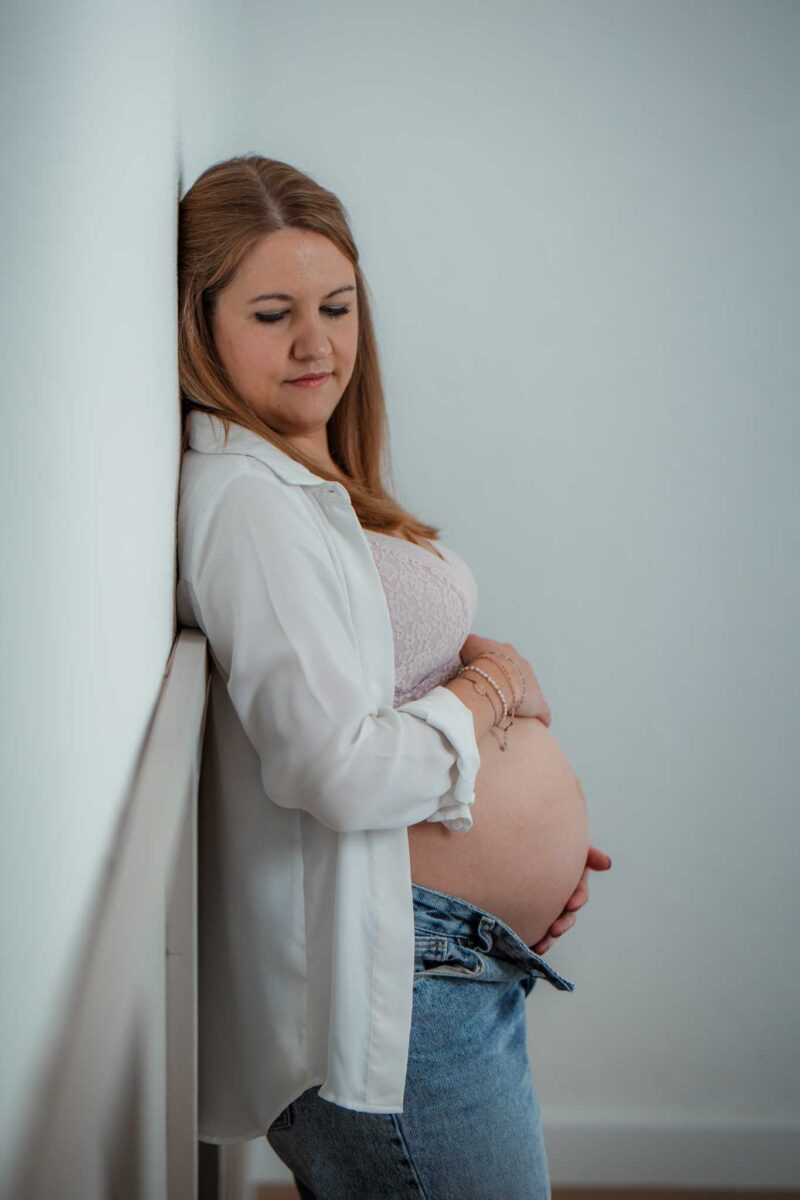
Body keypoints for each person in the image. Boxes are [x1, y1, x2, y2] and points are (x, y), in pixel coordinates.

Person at [176, 154, 612, 1199]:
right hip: (398, 976)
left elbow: (376, 668)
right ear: (200, 323)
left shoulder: (308, 477)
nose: (316, 343)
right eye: (273, 313)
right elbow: (335, 770)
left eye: (336, 305)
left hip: (449, 956)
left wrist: (516, 839)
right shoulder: (243, 501)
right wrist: (489, 698)